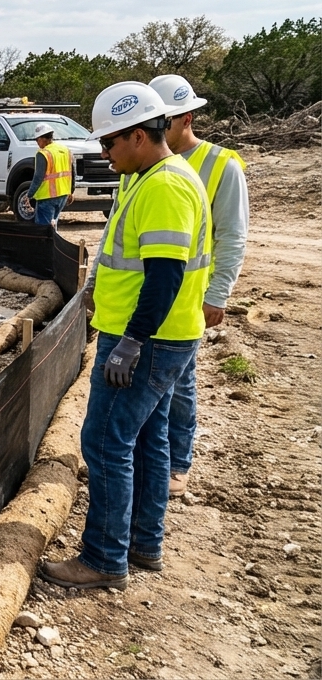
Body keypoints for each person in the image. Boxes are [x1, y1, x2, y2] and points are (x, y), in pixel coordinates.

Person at [39, 81, 212, 589]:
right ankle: (142, 544)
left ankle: (103, 560)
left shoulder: (164, 186)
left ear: (138, 135)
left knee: (105, 441)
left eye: (108, 143)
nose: (102, 152)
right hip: (155, 337)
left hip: (149, 341)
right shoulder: (145, 176)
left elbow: (164, 276)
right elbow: (123, 252)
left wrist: (133, 342)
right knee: (149, 440)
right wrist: (96, 291)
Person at [148, 74, 250, 498]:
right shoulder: (145, 161)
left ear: (186, 117)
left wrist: (217, 294)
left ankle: (177, 463)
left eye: (163, 120)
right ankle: (152, 460)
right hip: (149, 294)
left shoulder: (221, 164)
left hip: (189, 297)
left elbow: (233, 235)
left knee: (180, 386)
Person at [29, 123, 73, 227]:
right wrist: (70, 191)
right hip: (63, 195)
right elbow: (72, 172)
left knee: (44, 229)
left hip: (47, 197)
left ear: (42, 138)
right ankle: (53, 242)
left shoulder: (43, 153)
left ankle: (46, 243)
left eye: (37, 140)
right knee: (53, 225)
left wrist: (29, 194)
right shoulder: (65, 150)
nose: (37, 143)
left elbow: (38, 177)